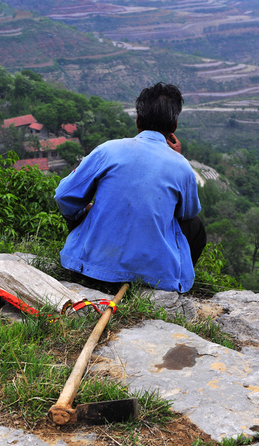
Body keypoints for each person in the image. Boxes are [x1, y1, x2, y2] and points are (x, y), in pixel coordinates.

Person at [54, 82, 206, 293]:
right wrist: (177, 159)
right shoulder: (182, 166)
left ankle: (90, 259)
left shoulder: (108, 150)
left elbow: (63, 196)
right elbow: (187, 213)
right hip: (156, 277)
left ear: (138, 120)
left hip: (89, 269)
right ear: (173, 128)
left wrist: (85, 212)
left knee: (79, 204)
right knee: (195, 226)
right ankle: (166, 279)